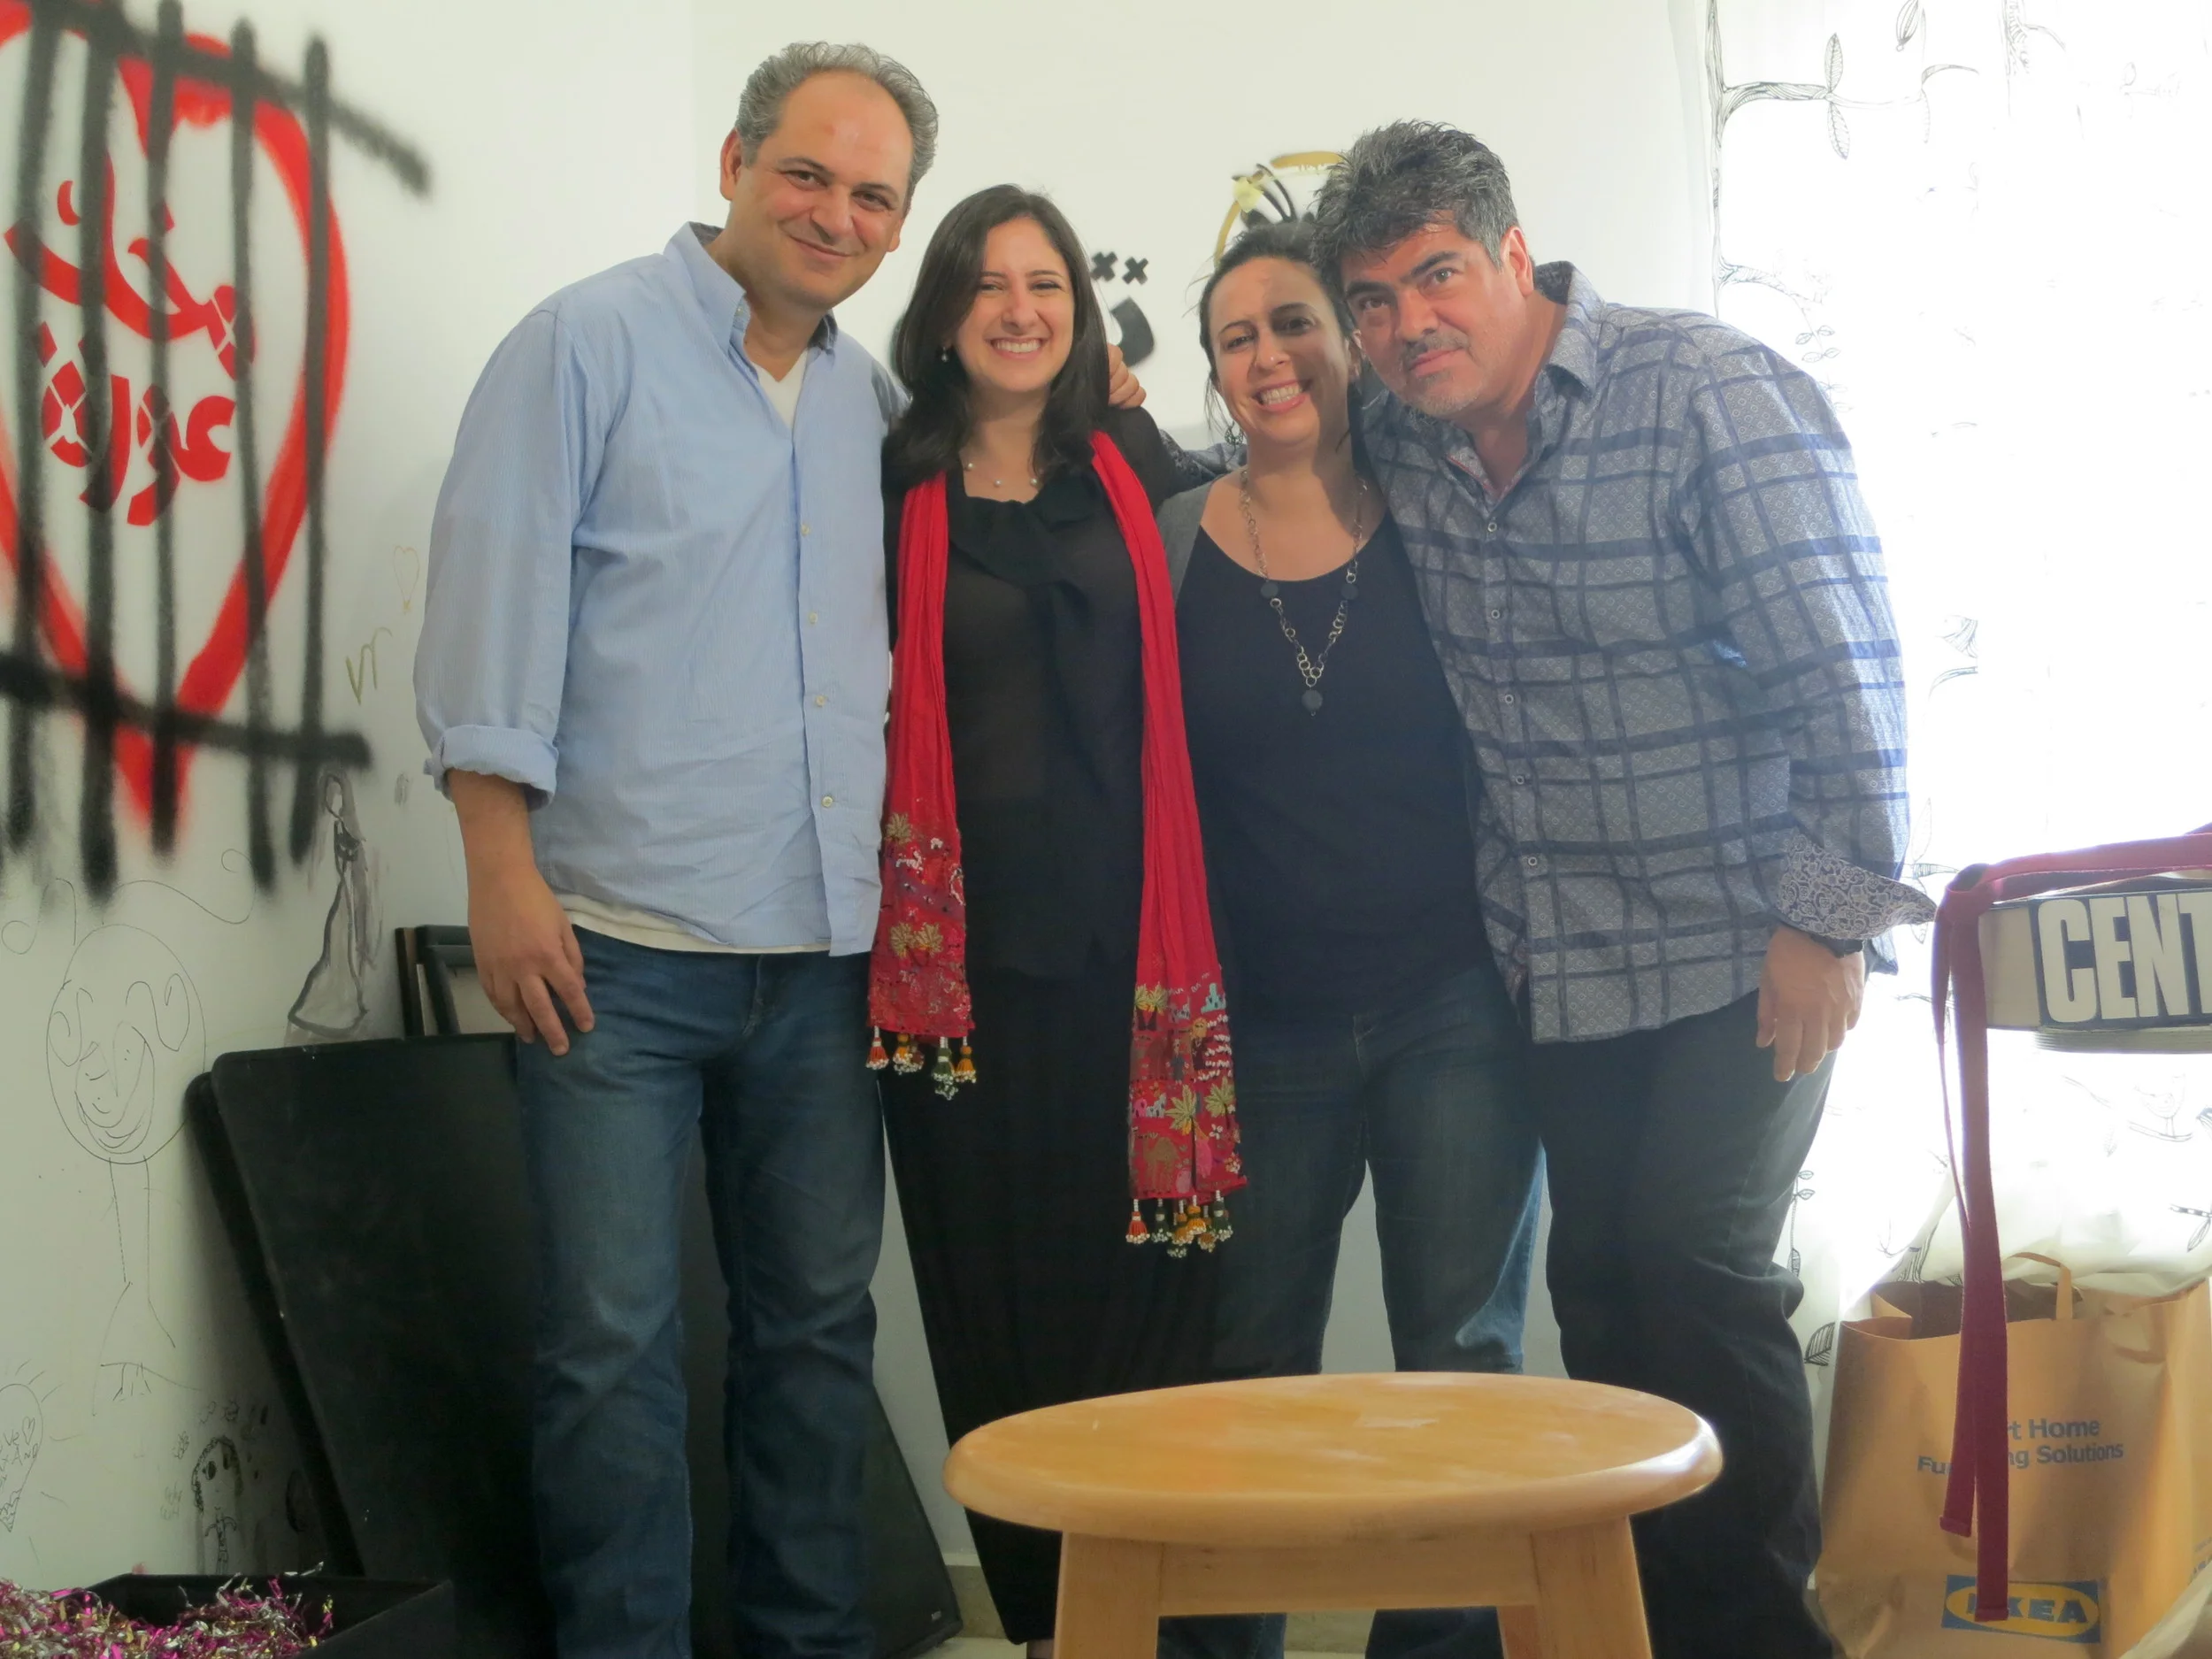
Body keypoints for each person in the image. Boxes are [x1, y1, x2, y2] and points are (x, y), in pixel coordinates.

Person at [1307, 123, 1935, 1659]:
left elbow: (1846, 674)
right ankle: (1633, 1630)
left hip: (1745, 944)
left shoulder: (1703, 389)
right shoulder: (1400, 430)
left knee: (1697, 1267)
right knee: (1599, 1291)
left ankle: (1760, 1639)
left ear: (1515, 255)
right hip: (1560, 957)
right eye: (1374, 302)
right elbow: (1258, 446)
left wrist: (1824, 922)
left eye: (1436, 277)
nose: (1408, 324)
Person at [414, 43, 934, 1659]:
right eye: (806, 173)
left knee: (815, 1337)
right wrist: (500, 873)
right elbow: (491, 608)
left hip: (825, 964)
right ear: (733, 162)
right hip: (613, 952)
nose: (834, 214)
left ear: (897, 222)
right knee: (609, 1346)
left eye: (872, 195)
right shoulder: (583, 345)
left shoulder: (874, 407)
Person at [1155, 219, 1540, 1659]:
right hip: (1259, 1029)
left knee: (1461, 1361)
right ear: (1212, 370)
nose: (1269, 355)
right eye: (1236, 336)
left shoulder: (1439, 509)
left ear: (1352, 339)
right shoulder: (1171, 542)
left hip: (1454, 1006)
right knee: (1244, 1369)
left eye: (1295, 321)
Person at [871, 183, 1240, 1659]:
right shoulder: (892, 478)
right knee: (992, 1296)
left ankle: (1140, 1613)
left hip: (1135, 960)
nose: (1020, 309)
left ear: (1083, 313)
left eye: (1047, 283)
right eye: (988, 283)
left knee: (1146, 1296)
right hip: (954, 978)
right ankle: (1042, 1624)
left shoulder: (1140, 464)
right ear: (943, 315)